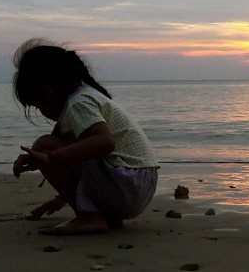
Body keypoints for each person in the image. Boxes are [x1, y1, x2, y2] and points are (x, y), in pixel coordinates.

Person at [11, 38, 159, 234]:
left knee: (45, 145)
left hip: (128, 183)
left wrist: (51, 158)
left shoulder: (78, 104)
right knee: (69, 146)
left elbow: (104, 142)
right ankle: (100, 214)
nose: (42, 113)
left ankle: (89, 216)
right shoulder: (87, 96)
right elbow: (88, 157)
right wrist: (61, 199)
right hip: (138, 184)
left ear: (47, 92)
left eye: (38, 106)